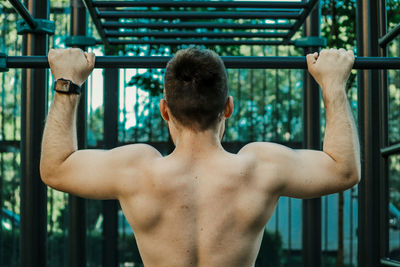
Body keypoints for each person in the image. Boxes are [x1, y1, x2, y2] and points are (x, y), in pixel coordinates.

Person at [41, 47, 360, 267]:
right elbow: (343, 169)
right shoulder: (259, 167)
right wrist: (333, 84)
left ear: (165, 110)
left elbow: (55, 167)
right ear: (228, 108)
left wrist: (67, 84)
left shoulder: (137, 171)